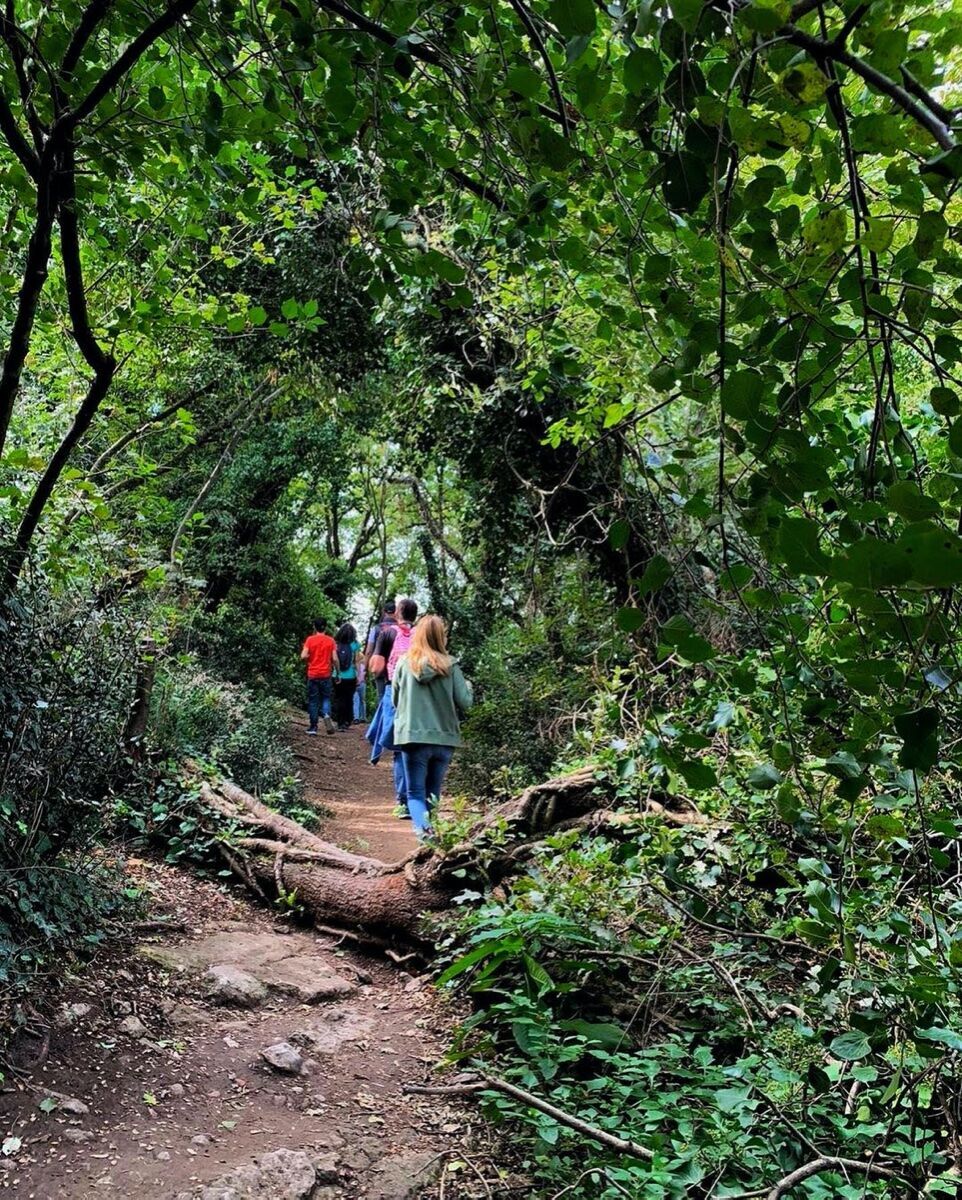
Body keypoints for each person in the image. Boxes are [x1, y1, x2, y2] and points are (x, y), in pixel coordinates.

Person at [392, 614, 473, 840]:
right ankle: (431, 838)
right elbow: (465, 703)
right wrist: (469, 686)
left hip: (412, 736)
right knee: (432, 793)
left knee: (415, 793)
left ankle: (427, 837)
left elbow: (395, 701)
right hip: (444, 738)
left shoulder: (403, 663)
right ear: (441, 637)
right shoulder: (452, 666)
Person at [366, 597, 418, 813]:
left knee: (399, 748)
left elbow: (376, 668)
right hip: (419, 694)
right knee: (415, 746)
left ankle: (403, 802)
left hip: (394, 692)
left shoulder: (387, 633)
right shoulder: (422, 635)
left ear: (398, 612)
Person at [300, 617, 336, 735]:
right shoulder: (330, 641)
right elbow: (335, 658)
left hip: (313, 674)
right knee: (326, 698)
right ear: (325, 627)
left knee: (313, 701)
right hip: (326, 674)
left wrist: (311, 657)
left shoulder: (310, 640)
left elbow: (303, 656)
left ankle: (313, 727)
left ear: (314, 627)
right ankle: (326, 714)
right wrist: (338, 671)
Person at [365, 600, 398, 701]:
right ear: (396, 612)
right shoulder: (400, 629)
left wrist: (365, 668)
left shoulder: (376, 629)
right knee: (396, 697)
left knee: (381, 695)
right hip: (395, 667)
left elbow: (369, 651)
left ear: (384, 612)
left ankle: (383, 715)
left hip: (379, 666)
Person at [333, 622, 362, 732]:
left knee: (339, 698)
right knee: (348, 699)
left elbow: (333, 659)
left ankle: (339, 722)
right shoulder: (355, 644)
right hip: (350, 676)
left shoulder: (335, 644)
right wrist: (359, 676)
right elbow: (357, 661)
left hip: (336, 675)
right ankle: (346, 721)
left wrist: (336, 672)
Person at [354, 658, 367, 724]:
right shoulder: (363, 667)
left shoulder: (353, 666)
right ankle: (363, 717)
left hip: (355, 685)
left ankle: (356, 717)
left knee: (356, 701)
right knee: (362, 701)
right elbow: (365, 676)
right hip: (362, 684)